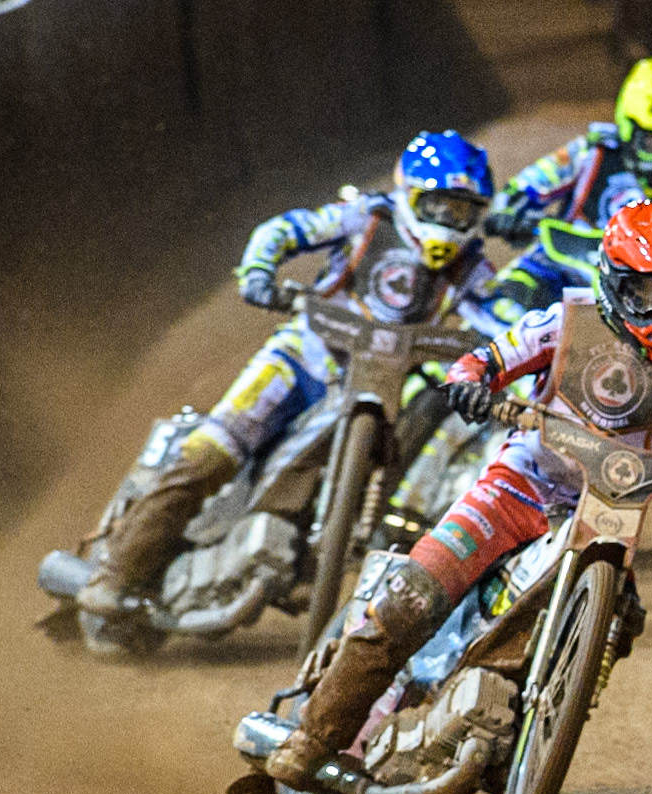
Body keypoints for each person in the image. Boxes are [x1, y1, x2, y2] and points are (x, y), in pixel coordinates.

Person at [263, 199, 652, 787]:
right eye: (648, 293)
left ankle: (525, 732)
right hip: (518, 484)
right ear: (615, 282)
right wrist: (470, 384)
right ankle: (313, 738)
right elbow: (487, 358)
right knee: (414, 594)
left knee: (621, 618)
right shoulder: (564, 322)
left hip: (606, 508)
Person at [77, 131, 514, 618]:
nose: (450, 223)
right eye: (439, 207)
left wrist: (506, 360)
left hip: (383, 381)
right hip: (304, 358)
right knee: (217, 449)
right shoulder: (366, 217)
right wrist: (259, 272)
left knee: (402, 449)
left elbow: (500, 321)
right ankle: (116, 571)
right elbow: (284, 230)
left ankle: (313, 554)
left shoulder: (472, 267)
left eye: (463, 211)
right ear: (410, 194)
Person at [482, 56, 652, 326]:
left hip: (636, 303)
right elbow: (527, 185)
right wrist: (510, 210)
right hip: (557, 271)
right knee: (502, 307)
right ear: (629, 128)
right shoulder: (592, 153)